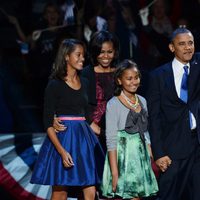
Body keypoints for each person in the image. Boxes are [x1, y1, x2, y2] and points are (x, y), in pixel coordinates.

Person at [30, 38, 104, 200]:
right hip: (62, 141)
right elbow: (48, 123)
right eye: (78, 55)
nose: (82, 59)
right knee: (60, 192)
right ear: (66, 57)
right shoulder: (54, 85)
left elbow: (88, 118)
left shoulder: (85, 82)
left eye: (83, 55)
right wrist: (62, 152)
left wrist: (107, 135)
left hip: (83, 141)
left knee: (90, 190)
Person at [146, 27, 200, 200]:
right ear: (171, 47)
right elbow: (153, 117)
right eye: (182, 44)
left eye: (190, 43)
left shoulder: (198, 66)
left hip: (197, 145)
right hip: (172, 150)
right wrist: (159, 152)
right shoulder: (158, 76)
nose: (187, 48)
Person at [53, 30, 120, 153]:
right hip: (90, 130)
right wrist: (55, 116)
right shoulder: (84, 74)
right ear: (94, 52)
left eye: (109, 52)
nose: (105, 56)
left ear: (115, 52)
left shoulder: (120, 73)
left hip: (117, 130)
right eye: (101, 52)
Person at [101, 59, 158, 200]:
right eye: (129, 78)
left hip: (141, 155)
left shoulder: (142, 101)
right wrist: (114, 172)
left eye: (136, 77)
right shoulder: (113, 104)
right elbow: (111, 139)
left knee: (138, 195)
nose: (134, 81)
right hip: (123, 157)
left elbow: (145, 130)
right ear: (119, 81)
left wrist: (149, 151)